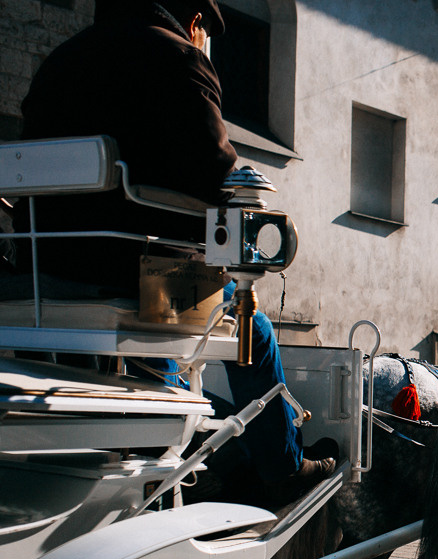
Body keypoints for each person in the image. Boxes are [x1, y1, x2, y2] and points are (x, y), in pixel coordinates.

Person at [15, 0, 335, 504]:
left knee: (178, 317)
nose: (201, 35)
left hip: (42, 273)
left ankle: (170, 437)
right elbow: (217, 176)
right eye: (203, 26)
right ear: (191, 20)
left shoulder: (61, 59)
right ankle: (281, 465)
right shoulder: (180, 58)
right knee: (255, 331)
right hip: (141, 278)